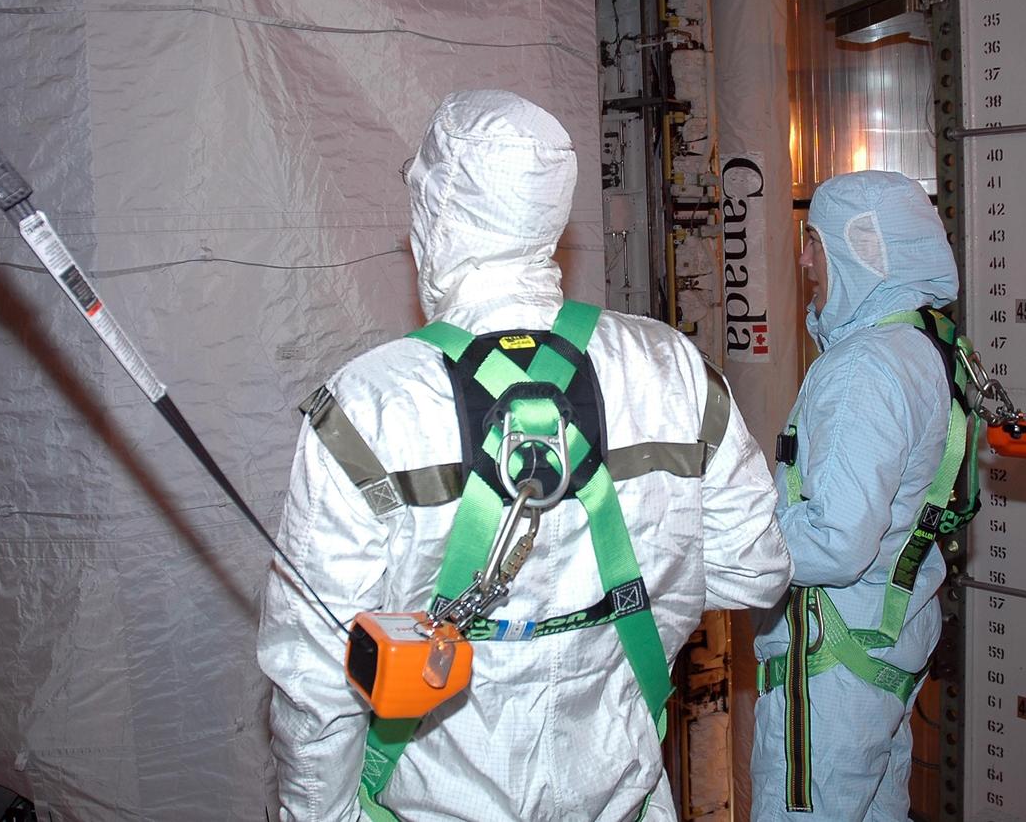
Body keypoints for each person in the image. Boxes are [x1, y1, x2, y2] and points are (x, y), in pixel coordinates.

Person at [258, 89, 792, 822]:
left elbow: (315, 679)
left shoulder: (369, 405)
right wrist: (626, 606)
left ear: (437, 213)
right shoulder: (672, 369)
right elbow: (755, 570)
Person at [750, 169, 962, 822]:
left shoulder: (864, 368)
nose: (804, 260)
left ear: (860, 249)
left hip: (833, 669)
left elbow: (835, 542)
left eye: (814, 241)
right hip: (883, 647)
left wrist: (723, 543)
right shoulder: (924, 347)